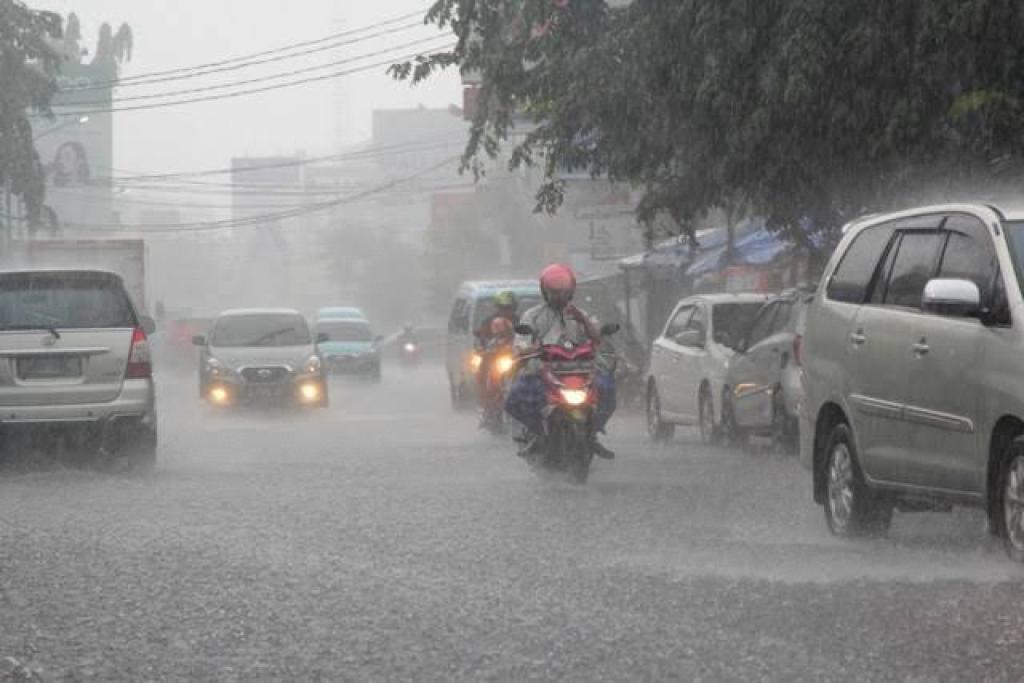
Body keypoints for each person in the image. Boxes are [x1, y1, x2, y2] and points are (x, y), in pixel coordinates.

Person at [505, 264, 616, 459]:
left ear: (571, 291)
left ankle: (593, 434)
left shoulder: (580, 314)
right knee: (517, 396)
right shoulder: (532, 316)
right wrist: (534, 349)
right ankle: (536, 435)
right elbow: (520, 345)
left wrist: (583, 321)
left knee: (606, 387)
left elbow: (596, 339)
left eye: (564, 292)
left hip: (580, 371)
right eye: (554, 292)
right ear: (545, 292)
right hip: (544, 371)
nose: (559, 297)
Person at [474, 291, 520, 417]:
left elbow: (528, 335)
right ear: (497, 308)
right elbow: (482, 337)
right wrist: (483, 347)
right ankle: (486, 404)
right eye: (503, 308)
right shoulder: (489, 322)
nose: (506, 311)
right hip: (494, 356)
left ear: (514, 307)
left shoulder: (520, 321)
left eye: (509, 308)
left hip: (514, 356)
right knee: (482, 371)